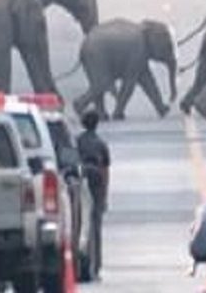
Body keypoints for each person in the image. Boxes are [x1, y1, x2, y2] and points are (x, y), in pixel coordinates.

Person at [77, 110, 111, 281]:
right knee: (95, 227)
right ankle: (96, 267)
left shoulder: (77, 142)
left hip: (81, 181)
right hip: (97, 183)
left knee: (81, 224)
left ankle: (81, 263)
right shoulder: (101, 144)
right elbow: (105, 171)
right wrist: (104, 196)